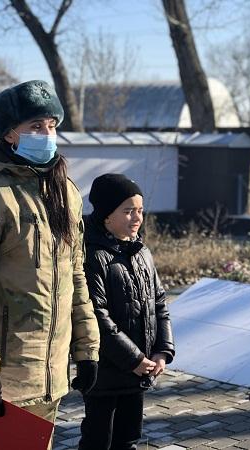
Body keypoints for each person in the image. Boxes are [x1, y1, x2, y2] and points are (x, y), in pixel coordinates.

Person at [0, 80, 100, 449]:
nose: (46, 134)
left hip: (52, 372)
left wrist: (87, 348)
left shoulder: (64, 191)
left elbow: (76, 275)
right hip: (7, 376)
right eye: (35, 126)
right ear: (9, 134)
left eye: (51, 125)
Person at [78, 174, 175, 450]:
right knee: (98, 440)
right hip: (105, 372)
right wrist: (133, 358)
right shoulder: (91, 255)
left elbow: (159, 303)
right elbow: (96, 315)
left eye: (140, 210)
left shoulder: (141, 252)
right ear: (107, 214)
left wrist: (162, 350)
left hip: (139, 370)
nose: (137, 218)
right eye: (128, 211)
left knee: (129, 440)